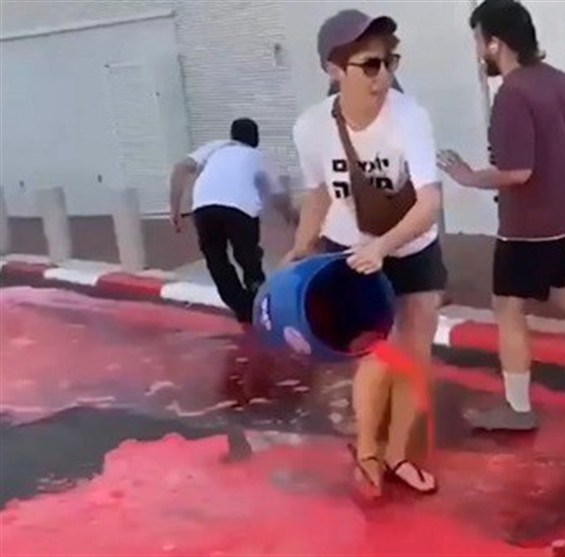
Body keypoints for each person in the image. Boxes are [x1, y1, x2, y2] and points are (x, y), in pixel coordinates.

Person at [438, 0, 565, 432]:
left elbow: (518, 171)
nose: (477, 51)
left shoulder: (512, 95)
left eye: (479, 40)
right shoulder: (560, 82)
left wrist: (468, 177)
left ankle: (518, 408)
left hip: (528, 225)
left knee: (507, 306)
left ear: (495, 43)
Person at [283, 10, 446, 496]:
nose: (383, 76)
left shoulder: (409, 117)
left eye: (389, 62)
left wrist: (384, 246)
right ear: (334, 69)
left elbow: (429, 202)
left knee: (412, 356)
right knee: (377, 355)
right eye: (369, 65)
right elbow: (318, 194)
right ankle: (368, 452)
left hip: (411, 246)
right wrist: (301, 247)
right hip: (350, 250)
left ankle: (398, 454)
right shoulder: (311, 127)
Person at [169, 118, 294, 324]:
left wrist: (174, 209)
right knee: (248, 259)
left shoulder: (216, 147)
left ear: (232, 136)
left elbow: (180, 168)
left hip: (204, 208)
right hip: (241, 210)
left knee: (216, 260)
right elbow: (279, 196)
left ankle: (242, 308)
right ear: (256, 138)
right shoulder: (259, 157)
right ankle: (257, 301)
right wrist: (291, 218)